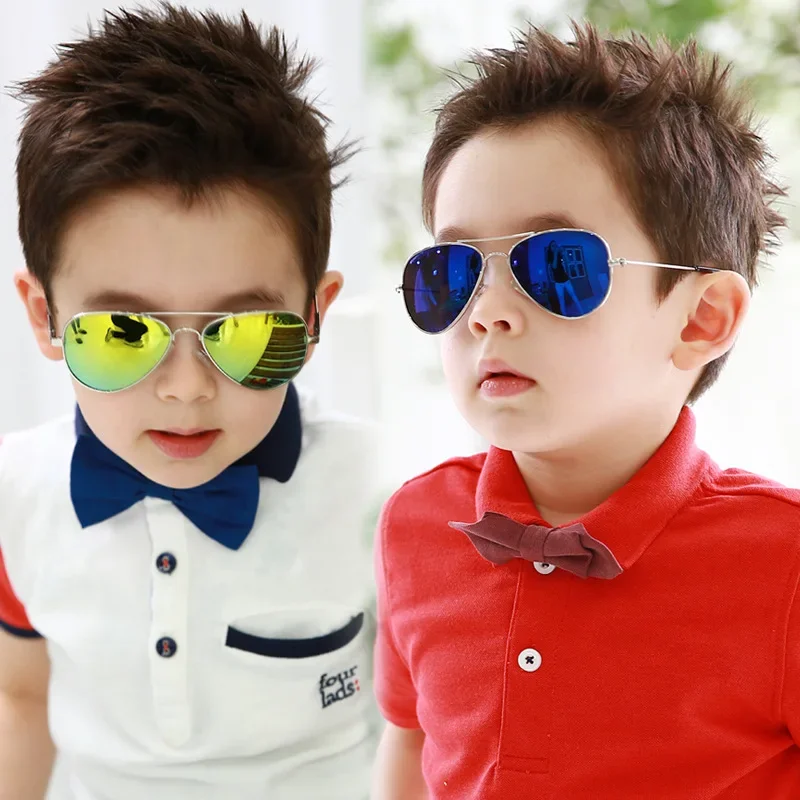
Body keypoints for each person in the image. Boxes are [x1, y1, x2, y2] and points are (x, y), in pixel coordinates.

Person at [374, 22, 800, 799]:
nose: (486, 312)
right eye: (452, 271)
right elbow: (410, 740)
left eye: (556, 265)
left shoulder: (785, 563)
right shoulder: (416, 523)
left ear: (701, 318)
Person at [0, 5, 377, 799]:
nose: (186, 387)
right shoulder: (14, 495)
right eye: (122, 333)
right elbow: (21, 697)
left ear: (314, 317)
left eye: (243, 332)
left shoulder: (382, 493)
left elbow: (426, 730)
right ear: (44, 316)